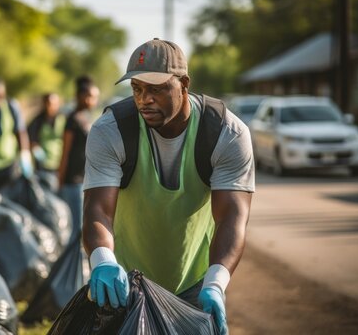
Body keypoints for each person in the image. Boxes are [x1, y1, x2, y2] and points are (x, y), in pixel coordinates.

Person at [82, 39, 254, 335]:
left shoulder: (226, 133)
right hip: (126, 283)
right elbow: (97, 208)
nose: (143, 99)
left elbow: (231, 218)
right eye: (137, 89)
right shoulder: (111, 130)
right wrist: (103, 261)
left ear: (184, 84)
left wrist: (215, 284)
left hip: (195, 284)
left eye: (156, 89)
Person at [57, 76, 99, 241]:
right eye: (91, 96)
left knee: (83, 224)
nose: (94, 100)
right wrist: (60, 180)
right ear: (82, 96)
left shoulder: (86, 118)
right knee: (76, 228)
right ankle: (72, 265)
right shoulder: (72, 120)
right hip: (72, 181)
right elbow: (65, 152)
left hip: (85, 179)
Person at [27, 92, 65, 190]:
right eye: (49, 103)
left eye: (54, 103)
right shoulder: (37, 120)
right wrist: (35, 150)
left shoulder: (63, 119)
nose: (51, 106)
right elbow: (30, 139)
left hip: (59, 164)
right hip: (42, 166)